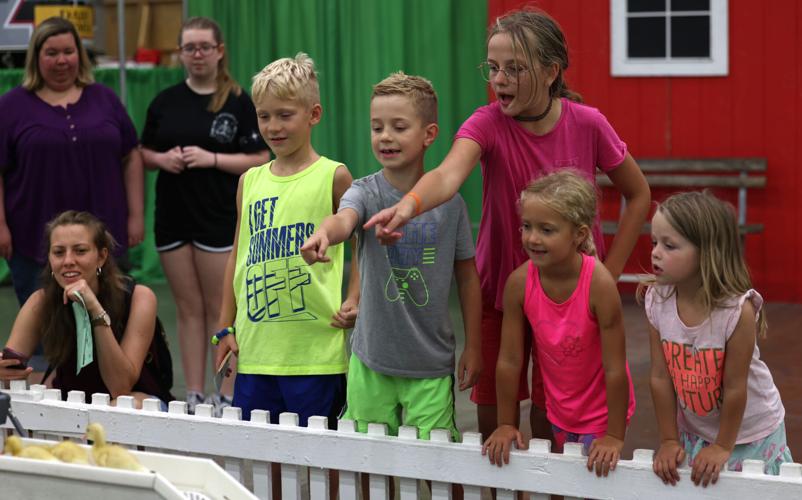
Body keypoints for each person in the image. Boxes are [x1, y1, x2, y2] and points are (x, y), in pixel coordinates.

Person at [363, 8, 650, 443]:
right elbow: (447, 174)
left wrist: (608, 272)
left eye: (514, 69)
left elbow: (639, 193)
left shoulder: (588, 123)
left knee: (549, 411)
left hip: (568, 296)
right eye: (494, 68)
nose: (499, 79)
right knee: (496, 414)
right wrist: (409, 205)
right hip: (501, 288)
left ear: (551, 71)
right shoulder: (488, 123)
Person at [302, 72, 482, 442]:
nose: (385, 136)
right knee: (365, 465)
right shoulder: (364, 191)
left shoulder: (451, 204)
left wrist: (475, 346)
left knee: (434, 465)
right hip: (371, 363)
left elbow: (467, 277)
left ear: (428, 135)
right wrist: (325, 233)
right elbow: (343, 219)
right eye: (377, 127)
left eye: (399, 127)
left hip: (430, 365)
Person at [214, 53, 357, 427]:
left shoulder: (335, 177)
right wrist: (225, 327)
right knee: (263, 463)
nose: (273, 126)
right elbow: (236, 257)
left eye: (285, 115)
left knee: (320, 462)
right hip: (257, 351)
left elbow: (364, 251)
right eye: (264, 116)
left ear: (313, 115)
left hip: (315, 353)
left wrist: (355, 298)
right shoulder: (249, 181)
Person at [140, 17, 270, 414]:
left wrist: (211, 158)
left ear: (219, 51)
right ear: (180, 53)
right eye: (189, 48)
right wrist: (163, 158)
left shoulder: (238, 100)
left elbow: (261, 157)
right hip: (173, 217)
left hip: (216, 218)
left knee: (220, 309)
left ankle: (225, 392)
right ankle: (194, 391)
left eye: (204, 47)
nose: (197, 55)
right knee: (187, 308)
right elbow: (143, 153)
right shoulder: (165, 101)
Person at [482, 171, 635, 478]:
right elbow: (510, 360)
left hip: (601, 414)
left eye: (547, 229)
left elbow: (616, 367)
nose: (532, 238)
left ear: (578, 234)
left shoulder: (599, 285)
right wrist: (505, 423)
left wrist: (615, 435)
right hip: (559, 410)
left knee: (598, 483)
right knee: (561, 481)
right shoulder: (519, 283)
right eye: (527, 226)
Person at [645, 191, 792, 487]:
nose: (655, 253)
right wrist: (669, 439)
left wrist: (724, 446)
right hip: (697, 428)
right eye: (654, 242)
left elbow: (735, 387)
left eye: (669, 245)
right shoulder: (657, 300)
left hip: (749, 431)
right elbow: (660, 377)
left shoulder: (736, 310)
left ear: (706, 252)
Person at [0, 17, 144, 312]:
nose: (61, 60)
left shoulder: (105, 98)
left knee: (109, 326)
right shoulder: (11, 106)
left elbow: (132, 155)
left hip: (105, 236)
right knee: (44, 337)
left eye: (68, 51)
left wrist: (136, 215)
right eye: (51, 53)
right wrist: (1, 226)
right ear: (36, 58)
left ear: (80, 54)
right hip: (33, 240)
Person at [0, 211, 172, 408]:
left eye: (80, 251)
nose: (68, 261)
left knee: (119, 408)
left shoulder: (139, 298)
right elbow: (11, 367)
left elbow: (120, 388)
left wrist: (94, 308)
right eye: (58, 252)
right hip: (73, 407)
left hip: (137, 404)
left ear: (101, 256)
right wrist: (4, 368)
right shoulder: (41, 301)